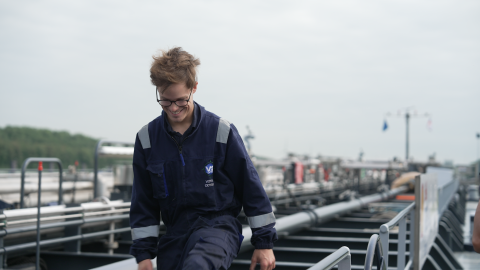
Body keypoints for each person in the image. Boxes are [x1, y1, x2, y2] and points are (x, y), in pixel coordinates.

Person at [129, 47, 277, 270]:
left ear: (194, 88)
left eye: (180, 100)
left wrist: (264, 243)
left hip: (218, 228)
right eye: (165, 101)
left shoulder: (221, 132)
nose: (173, 108)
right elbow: (143, 201)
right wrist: (143, 255)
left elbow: (251, 187)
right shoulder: (147, 139)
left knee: (199, 266)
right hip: (175, 234)